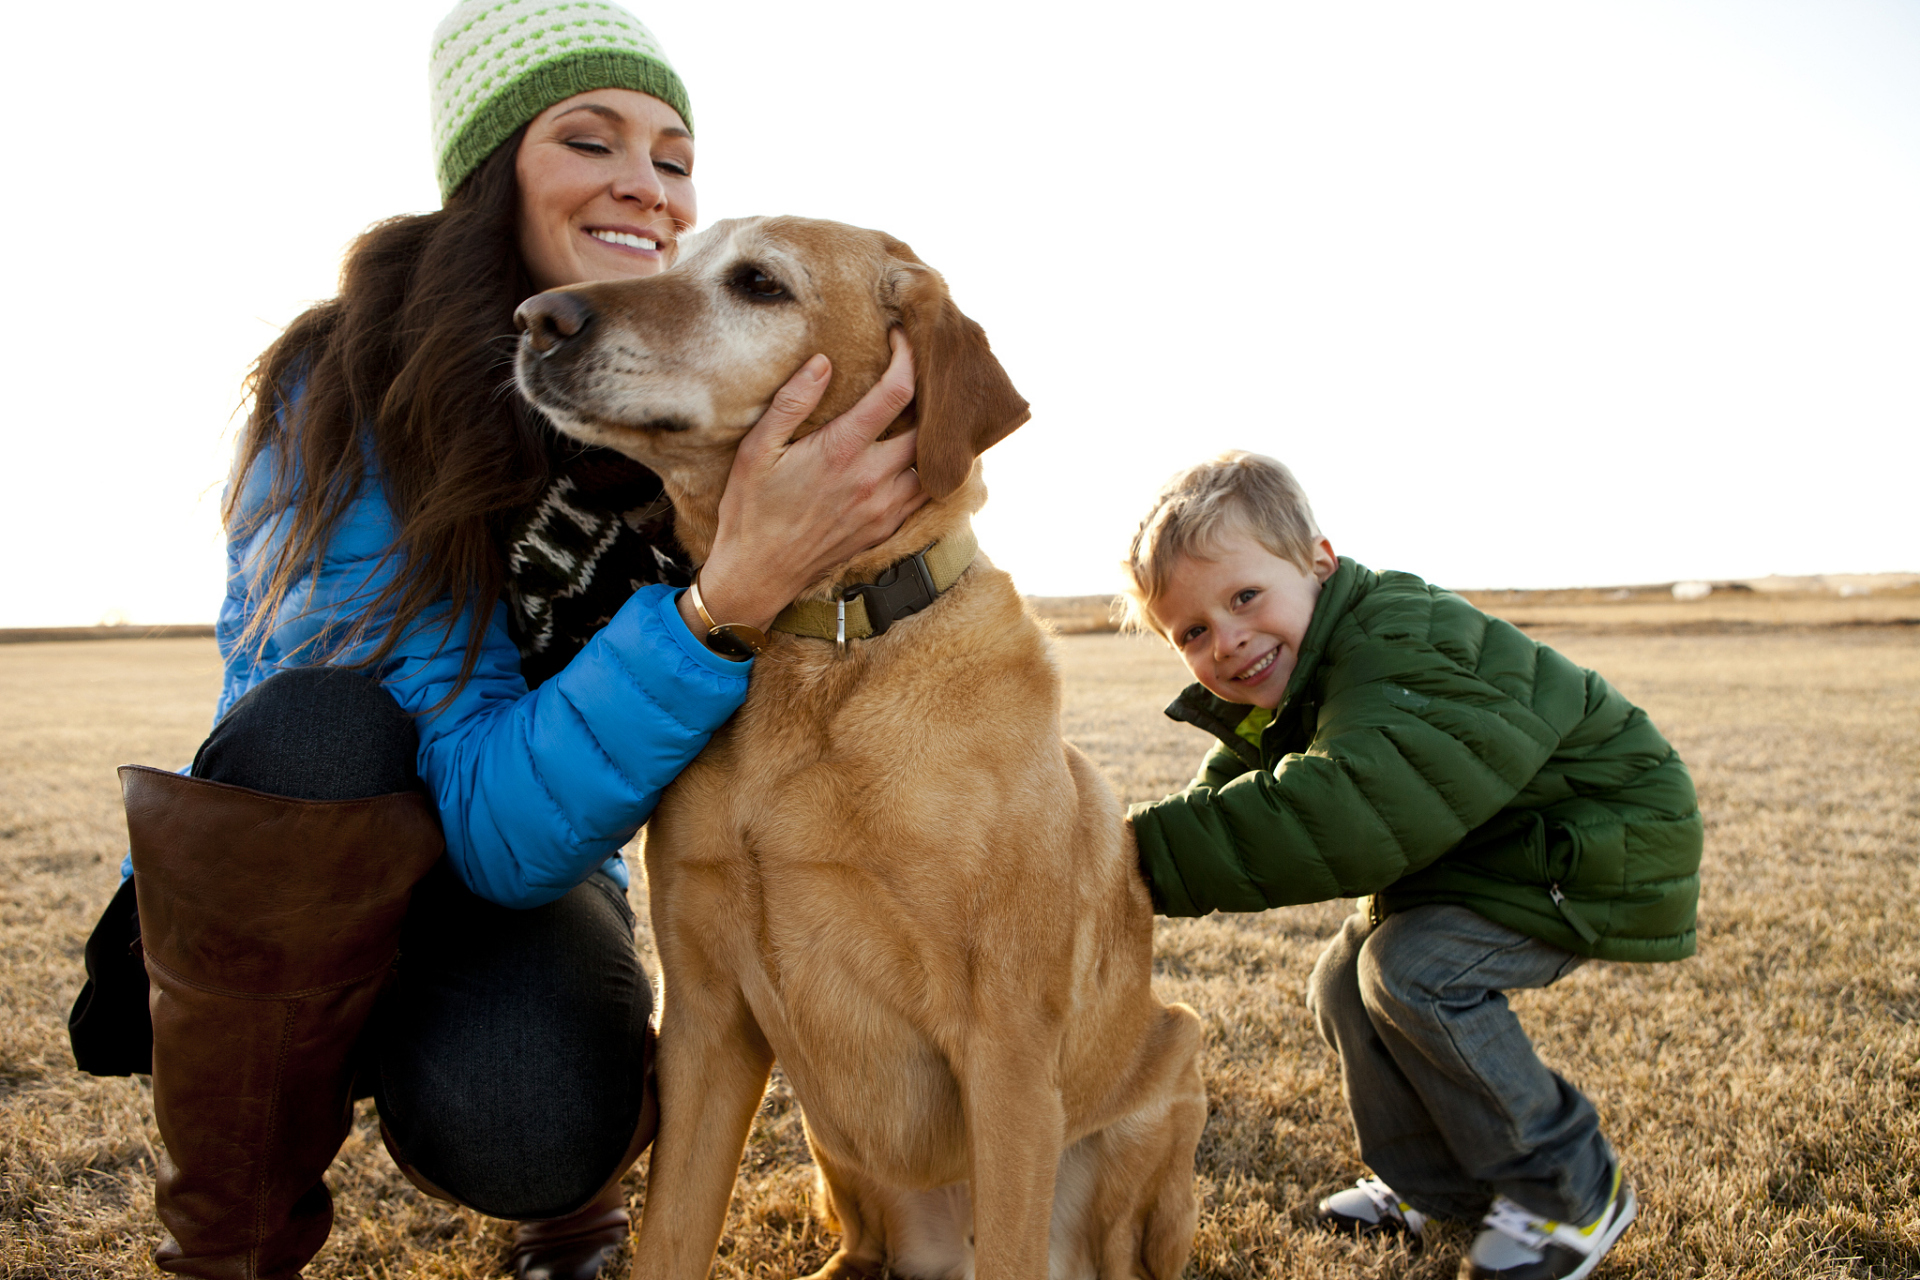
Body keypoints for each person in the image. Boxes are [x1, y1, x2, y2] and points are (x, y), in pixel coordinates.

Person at [65, 4, 927, 1278]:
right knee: (320, 720)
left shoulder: (679, 393)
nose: (648, 182)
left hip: (520, 871)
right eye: (591, 139)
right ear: (492, 170)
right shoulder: (339, 386)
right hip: (317, 851)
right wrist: (715, 603)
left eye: (675, 158)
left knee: (532, 1120)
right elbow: (463, 802)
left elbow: (528, 848)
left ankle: (566, 1197)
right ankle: (227, 1249)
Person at [1119, 452, 1701, 1280]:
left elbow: (1341, 805)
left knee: (1413, 970)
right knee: (1342, 977)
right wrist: (1120, 849)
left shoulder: (1395, 638)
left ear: (1318, 560)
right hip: (1484, 848)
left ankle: (1573, 1188)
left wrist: (1136, 855)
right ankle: (1444, 1189)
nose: (1228, 639)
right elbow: (1233, 792)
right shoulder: (1302, 672)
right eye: (1193, 632)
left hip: (1590, 832)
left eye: (1244, 597)